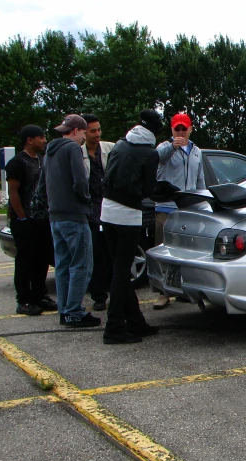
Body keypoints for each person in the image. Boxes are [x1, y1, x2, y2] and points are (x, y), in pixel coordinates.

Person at [101, 110, 162, 344]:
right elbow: (147, 190)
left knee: (118, 269)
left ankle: (135, 322)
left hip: (106, 210)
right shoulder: (150, 153)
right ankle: (113, 328)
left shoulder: (120, 144)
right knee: (121, 272)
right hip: (128, 213)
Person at [44, 114, 101, 327]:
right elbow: (80, 181)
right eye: (85, 133)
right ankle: (74, 310)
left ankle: (64, 309)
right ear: (77, 131)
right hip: (74, 216)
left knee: (62, 265)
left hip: (55, 216)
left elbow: (43, 184)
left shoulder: (49, 151)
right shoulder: (73, 149)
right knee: (82, 264)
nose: (85, 138)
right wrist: (87, 202)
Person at [152, 112, 205, 309]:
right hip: (166, 207)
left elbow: (200, 180)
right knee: (162, 250)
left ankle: (184, 289)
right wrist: (171, 148)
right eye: (177, 129)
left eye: (184, 128)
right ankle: (161, 292)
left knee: (187, 252)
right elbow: (157, 161)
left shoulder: (197, 151)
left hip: (187, 208)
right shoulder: (164, 148)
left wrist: (201, 203)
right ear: (172, 130)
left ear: (191, 129)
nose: (181, 132)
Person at [5, 125, 57, 316]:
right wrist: (22, 217)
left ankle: (39, 295)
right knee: (25, 260)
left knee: (42, 259)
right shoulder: (17, 163)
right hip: (24, 219)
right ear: (29, 140)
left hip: (42, 218)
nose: (44, 141)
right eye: (41, 137)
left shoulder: (42, 160)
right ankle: (24, 300)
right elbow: (13, 192)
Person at [81, 114, 115, 312]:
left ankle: (113, 290)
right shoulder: (78, 153)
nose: (97, 134)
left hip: (108, 207)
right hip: (90, 209)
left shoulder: (108, 148)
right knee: (96, 255)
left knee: (110, 252)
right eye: (93, 131)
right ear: (84, 132)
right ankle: (98, 295)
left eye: (99, 130)